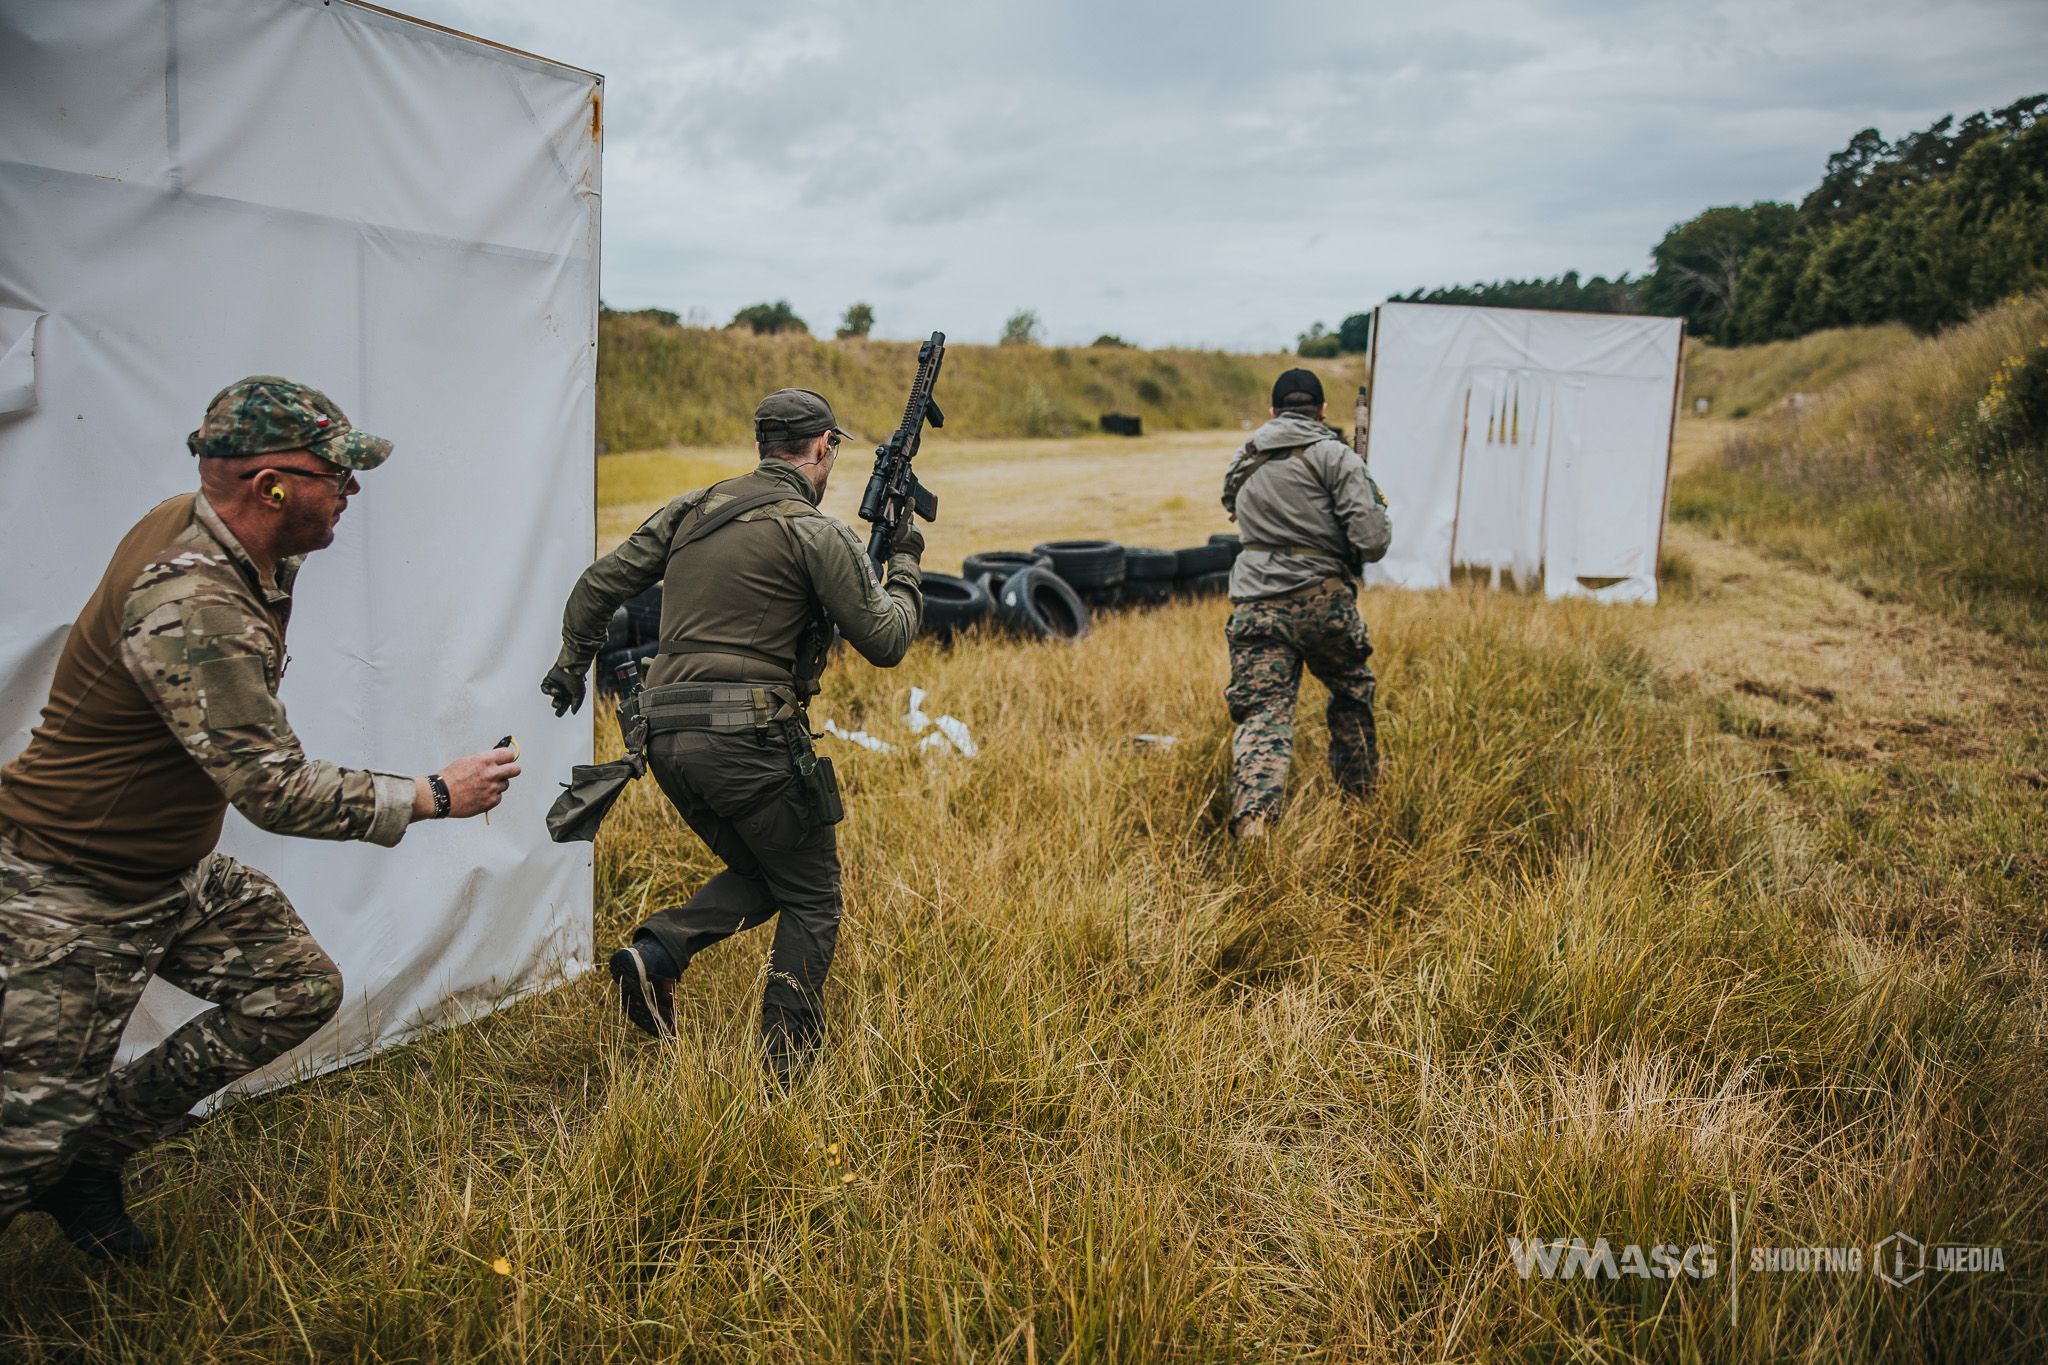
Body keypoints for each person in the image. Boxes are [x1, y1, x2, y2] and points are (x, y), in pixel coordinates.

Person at [0, 376, 520, 1263]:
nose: (350, 493)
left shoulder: (234, 543)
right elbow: (273, 789)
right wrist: (435, 793)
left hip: (167, 868)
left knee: (295, 987)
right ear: (270, 485)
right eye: (337, 475)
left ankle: (94, 1149)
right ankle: (59, 1157)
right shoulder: (195, 601)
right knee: (20, 1145)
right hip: (70, 883)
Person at [541, 388, 922, 1082]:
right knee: (812, 894)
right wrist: (905, 565)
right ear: (821, 449)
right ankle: (783, 1076)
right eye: (831, 448)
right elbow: (889, 639)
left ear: (761, 447)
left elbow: (597, 585)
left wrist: (572, 664)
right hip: (744, 738)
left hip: (658, 738)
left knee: (768, 869)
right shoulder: (815, 532)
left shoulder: (694, 509)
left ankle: (658, 951)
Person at [1219, 367, 1392, 840]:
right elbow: (1372, 542)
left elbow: (1230, 505)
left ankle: (1254, 820)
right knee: (1351, 693)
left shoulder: (1246, 456)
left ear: (1273, 412)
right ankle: (1358, 804)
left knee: (1263, 714)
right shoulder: (1337, 457)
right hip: (1323, 602)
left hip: (1256, 605)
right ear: (1321, 412)